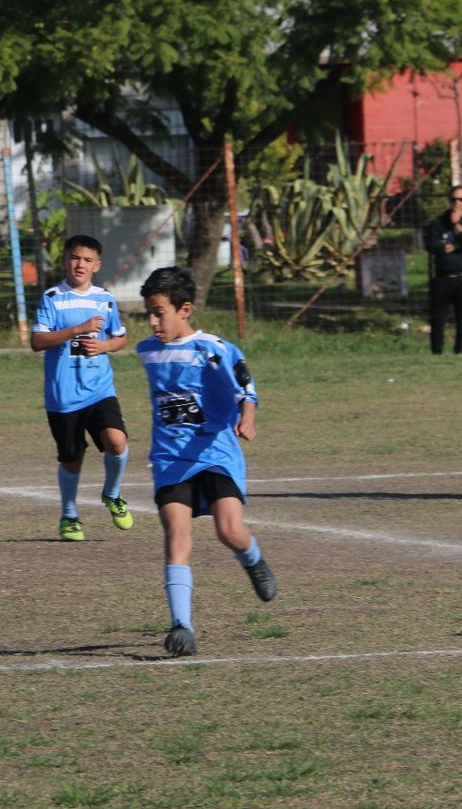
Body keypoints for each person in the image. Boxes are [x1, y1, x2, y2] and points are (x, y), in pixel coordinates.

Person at [136, 266, 275, 658]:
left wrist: (246, 419)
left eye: (159, 312)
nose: (152, 321)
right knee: (177, 537)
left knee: (229, 531)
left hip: (214, 453)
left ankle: (253, 558)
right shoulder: (147, 351)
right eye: (148, 311)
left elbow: (245, 389)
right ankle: (182, 626)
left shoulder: (214, 350)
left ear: (185, 310)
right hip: (170, 459)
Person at [30, 235, 133, 541]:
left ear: (97, 266)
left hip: (100, 390)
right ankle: (70, 515)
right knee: (72, 458)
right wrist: (77, 329)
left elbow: (121, 337)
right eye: (75, 258)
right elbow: (37, 342)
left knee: (117, 441)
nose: (80, 265)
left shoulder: (105, 299)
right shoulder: (52, 298)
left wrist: (104, 345)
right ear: (66, 260)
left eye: (87, 260)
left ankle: (112, 494)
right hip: (63, 396)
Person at [422, 185, 462, 355]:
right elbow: (430, 244)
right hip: (443, 278)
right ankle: (436, 352)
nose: (457, 202)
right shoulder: (438, 222)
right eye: (454, 199)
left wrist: (457, 226)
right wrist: (444, 247)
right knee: (438, 318)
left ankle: (460, 351)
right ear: (449, 200)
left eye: (461, 199)